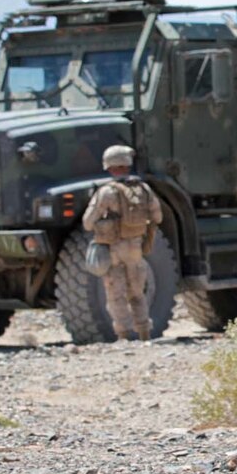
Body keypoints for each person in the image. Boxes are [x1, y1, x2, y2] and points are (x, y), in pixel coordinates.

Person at [82, 145, 163, 341]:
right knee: (137, 293)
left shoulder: (107, 192)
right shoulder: (143, 189)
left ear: (109, 166)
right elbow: (158, 217)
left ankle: (124, 334)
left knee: (116, 294)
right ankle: (144, 331)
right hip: (135, 249)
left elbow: (87, 223)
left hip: (114, 250)